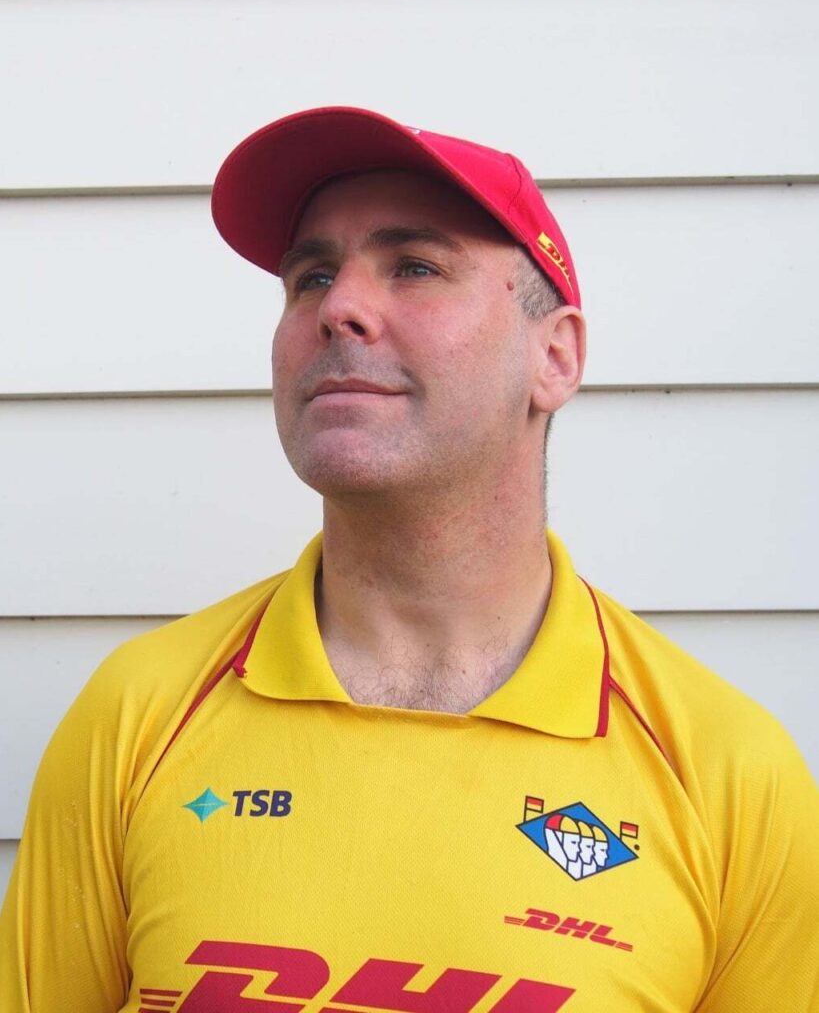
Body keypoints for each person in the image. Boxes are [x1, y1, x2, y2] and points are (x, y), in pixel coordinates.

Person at [1, 105, 817, 1012]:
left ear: (555, 357)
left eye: (416, 267)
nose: (338, 308)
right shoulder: (138, 715)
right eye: (310, 276)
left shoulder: (724, 771)